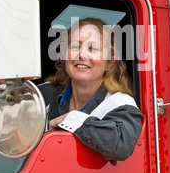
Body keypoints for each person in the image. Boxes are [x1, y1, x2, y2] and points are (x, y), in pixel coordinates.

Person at [38, 17, 142, 164]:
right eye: (75, 47)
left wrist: (72, 119)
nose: (82, 55)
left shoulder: (120, 104)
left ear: (109, 63)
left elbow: (121, 144)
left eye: (92, 48)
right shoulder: (42, 95)